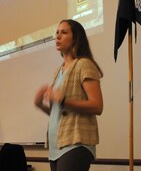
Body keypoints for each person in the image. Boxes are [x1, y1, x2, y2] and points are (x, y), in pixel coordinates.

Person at [34, 19, 103, 171]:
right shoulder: (58, 71)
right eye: (57, 32)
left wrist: (65, 101)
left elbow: (97, 106)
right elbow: (59, 113)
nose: (58, 36)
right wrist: (40, 104)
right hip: (56, 146)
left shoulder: (84, 64)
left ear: (76, 38)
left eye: (64, 32)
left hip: (75, 144)